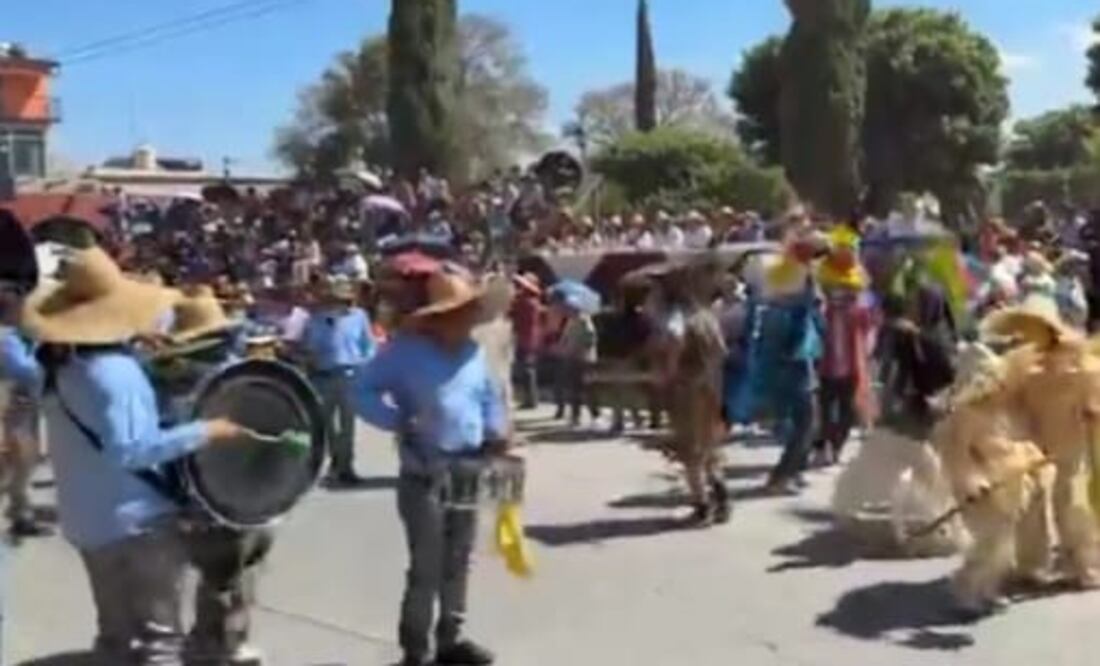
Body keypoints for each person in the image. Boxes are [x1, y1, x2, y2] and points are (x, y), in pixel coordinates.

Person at [21, 245, 246, 666]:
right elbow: (135, 450)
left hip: (86, 519)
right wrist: (208, 430)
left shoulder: (60, 369)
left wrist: (135, 351)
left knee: (115, 635)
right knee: (160, 641)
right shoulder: (114, 374)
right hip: (135, 522)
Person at [353, 269, 508, 666]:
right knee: (427, 565)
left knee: (460, 559)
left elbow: (489, 398)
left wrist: (497, 431)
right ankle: (415, 649)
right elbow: (362, 391)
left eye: (470, 312)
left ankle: (451, 640)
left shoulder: (474, 353)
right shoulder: (404, 352)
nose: (467, 320)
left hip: (468, 467)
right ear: (437, 318)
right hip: (424, 471)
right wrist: (396, 419)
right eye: (458, 313)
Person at [302, 277, 376, 487]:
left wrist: (363, 364)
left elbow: (369, 346)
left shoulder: (359, 317)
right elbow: (310, 348)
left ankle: (346, 466)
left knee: (348, 425)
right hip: (324, 376)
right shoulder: (317, 319)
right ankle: (335, 462)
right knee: (327, 425)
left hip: (351, 375)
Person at [813, 225, 875, 466]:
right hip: (825, 364)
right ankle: (826, 443)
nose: (840, 293)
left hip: (851, 364)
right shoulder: (822, 307)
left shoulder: (859, 306)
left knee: (847, 409)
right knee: (825, 407)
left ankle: (836, 444)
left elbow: (870, 324)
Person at [0, 281, 52, 538]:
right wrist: (46, 356)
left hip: (23, 404)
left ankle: (21, 515)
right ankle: (20, 515)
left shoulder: (18, 336)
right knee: (18, 462)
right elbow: (26, 371)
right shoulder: (6, 339)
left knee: (23, 462)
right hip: (13, 405)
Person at [553, 300, 599, 427]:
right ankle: (575, 416)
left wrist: (580, 349)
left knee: (587, 388)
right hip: (571, 358)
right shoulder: (570, 321)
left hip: (584, 359)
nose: (567, 310)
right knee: (574, 389)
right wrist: (562, 347)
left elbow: (591, 339)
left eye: (570, 308)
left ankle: (594, 413)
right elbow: (565, 337)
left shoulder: (585, 321)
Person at [509, 273, 544, 410]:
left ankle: (530, 399)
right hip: (531, 339)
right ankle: (531, 399)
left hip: (525, 339)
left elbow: (513, 314)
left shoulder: (525, 302)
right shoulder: (534, 301)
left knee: (526, 370)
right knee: (529, 369)